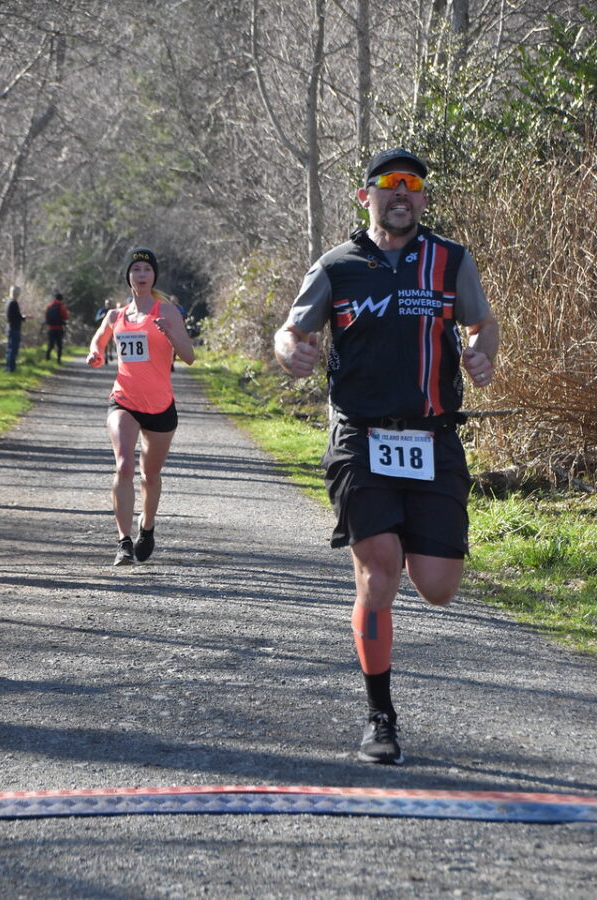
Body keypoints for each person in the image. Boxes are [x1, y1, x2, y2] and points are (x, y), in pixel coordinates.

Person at [274, 148, 499, 765]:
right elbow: (292, 329)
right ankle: (380, 715)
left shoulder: (450, 260)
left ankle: (404, 545)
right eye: (389, 184)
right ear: (365, 195)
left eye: (414, 185)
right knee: (379, 571)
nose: (402, 192)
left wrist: (482, 353)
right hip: (360, 437)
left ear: (423, 198)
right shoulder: (337, 266)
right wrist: (289, 348)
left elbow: (482, 323)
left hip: (433, 437)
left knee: (437, 586)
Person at [86, 248, 195, 566]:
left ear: (154, 276)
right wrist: (96, 353)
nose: (142, 274)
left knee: (150, 474)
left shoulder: (168, 311)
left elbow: (189, 356)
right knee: (123, 467)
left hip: (160, 404)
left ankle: (147, 527)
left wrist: (171, 332)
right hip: (124, 400)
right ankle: (123, 541)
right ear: (128, 277)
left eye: (147, 269)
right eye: (136, 269)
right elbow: (98, 341)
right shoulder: (115, 316)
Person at [4, 285, 29, 373]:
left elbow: (11, 316)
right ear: (17, 293)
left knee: (9, 349)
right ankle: (11, 369)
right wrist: (24, 317)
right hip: (14, 328)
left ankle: (7, 367)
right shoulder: (14, 303)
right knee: (13, 349)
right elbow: (17, 316)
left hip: (9, 328)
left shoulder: (7, 302)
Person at [45, 292, 69, 363]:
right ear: (61, 299)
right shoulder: (62, 307)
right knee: (59, 345)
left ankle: (47, 358)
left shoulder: (49, 306)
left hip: (50, 328)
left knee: (50, 344)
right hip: (59, 328)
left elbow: (46, 317)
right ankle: (58, 360)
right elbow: (66, 317)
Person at [94, 298, 114, 363]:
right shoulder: (102, 310)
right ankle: (106, 356)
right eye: (107, 303)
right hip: (103, 329)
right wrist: (101, 317)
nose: (108, 305)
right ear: (105, 304)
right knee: (105, 343)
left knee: (110, 343)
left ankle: (110, 354)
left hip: (112, 329)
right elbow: (96, 318)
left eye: (109, 303)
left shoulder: (113, 311)